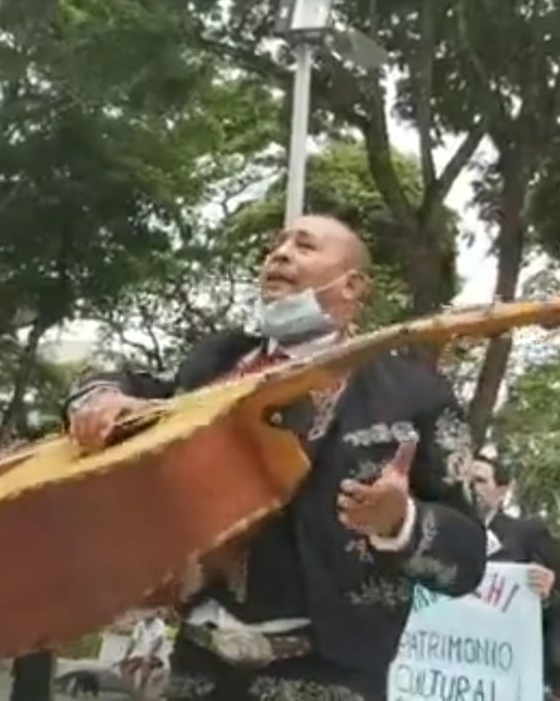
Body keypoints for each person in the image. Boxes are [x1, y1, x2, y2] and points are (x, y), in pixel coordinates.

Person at [66, 214, 487, 700]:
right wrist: (99, 400)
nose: (280, 253)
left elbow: (469, 558)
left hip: (328, 678)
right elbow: (126, 384)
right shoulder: (215, 362)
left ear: (351, 286)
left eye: (304, 246)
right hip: (198, 669)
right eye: (276, 245)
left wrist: (402, 522)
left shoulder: (413, 394)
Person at [466, 448, 560, 700]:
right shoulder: (437, 535)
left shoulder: (527, 534)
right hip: (457, 669)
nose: (470, 487)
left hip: (512, 672)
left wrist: (544, 594)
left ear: (501, 492)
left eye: (479, 480)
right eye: (465, 481)